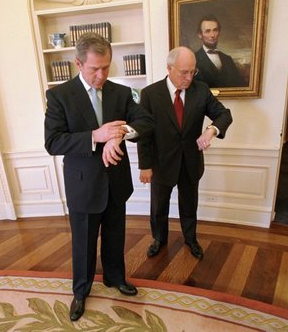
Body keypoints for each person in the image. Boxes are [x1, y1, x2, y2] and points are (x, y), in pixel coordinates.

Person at [44, 32, 154, 322]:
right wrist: (96, 136)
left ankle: (115, 278)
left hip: (116, 183)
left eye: (106, 67)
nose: (101, 75)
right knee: (83, 242)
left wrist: (119, 135)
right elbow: (53, 142)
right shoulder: (59, 95)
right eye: (95, 68)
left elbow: (145, 122)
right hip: (83, 185)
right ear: (78, 63)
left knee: (116, 236)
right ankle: (81, 290)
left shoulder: (121, 92)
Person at [137, 46, 233, 260]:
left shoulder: (201, 90)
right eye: (184, 72)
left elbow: (224, 115)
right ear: (169, 68)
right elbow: (144, 134)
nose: (189, 78)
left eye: (193, 72)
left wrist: (211, 130)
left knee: (189, 206)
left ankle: (191, 240)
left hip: (190, 162)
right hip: (161, 164)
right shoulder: (150, 94)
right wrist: (145, 165)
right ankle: (159, 240)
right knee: (158, 207)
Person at [194, 14, 246, 88]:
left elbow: (239, 86)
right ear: (200, 35)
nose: (212, 35)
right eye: (207, 31)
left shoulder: (228, 59)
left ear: (219, 32)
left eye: (215, 30)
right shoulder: (193, 60)